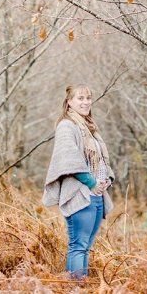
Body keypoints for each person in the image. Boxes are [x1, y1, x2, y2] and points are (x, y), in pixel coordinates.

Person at [42, 83, 114, 281]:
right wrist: (91, 182)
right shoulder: (67, 126)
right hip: (81, 195)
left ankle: (79, 286)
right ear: (69, 102)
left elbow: (100, 158)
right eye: (80, 98)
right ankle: (74, 287)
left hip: (98, 195)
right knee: (78, 247)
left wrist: (107, 178)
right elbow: (69, 160)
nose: (85, 102)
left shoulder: (90, 127)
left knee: (85, 248)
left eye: (88, 98)